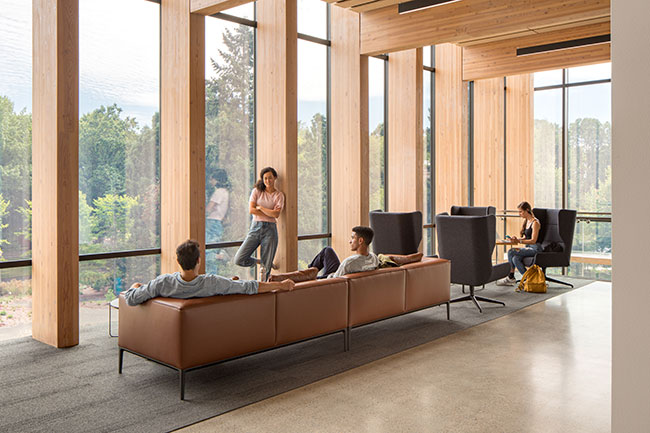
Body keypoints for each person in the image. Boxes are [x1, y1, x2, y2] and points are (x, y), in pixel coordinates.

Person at [123, 240, 294, 306]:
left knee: (139, 286)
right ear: (199, 261)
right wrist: (281, 285)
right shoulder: (211, 283)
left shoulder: (162, 283)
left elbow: (131, 299)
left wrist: (135, 286)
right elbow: (249, 287)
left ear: (178, 261)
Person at [234, 167, 285, 281]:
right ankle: (260, 261)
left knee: (266, 269)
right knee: (239, 259)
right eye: (265, 178)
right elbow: (251, 210)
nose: (268, 181)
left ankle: (263, 291)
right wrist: (269, 212)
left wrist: (261, 208)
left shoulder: (279, 195)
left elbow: (276, 214)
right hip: (255, 227)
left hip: (270, 230)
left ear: (275, 178)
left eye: (270, 178)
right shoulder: (256, 191)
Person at [308, 226, 380, 279]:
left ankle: (307, 274)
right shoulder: (374, 258)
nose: (350, 241)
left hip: (329, 281)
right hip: (341, 275)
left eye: (352, 238)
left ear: (360, 240)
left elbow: (335, 281)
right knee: (327, 250)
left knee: (326, 251)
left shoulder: (349, 263)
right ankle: (308, 272)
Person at [497, 201, 542, 286]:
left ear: (527, 210)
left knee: (511, 251)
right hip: (528, 247)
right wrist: (516, 239)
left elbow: (533, 240)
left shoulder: (535, 223)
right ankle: (529, 279)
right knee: (515, 258)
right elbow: (526, 237)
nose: (519, 214)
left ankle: (511, 277)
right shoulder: (527, 222)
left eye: (521, 212)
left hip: (535, 249)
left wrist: (519, 241)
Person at [205, 169, 230, 274]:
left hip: (212, 222)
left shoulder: (218, 192)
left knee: (208, 252)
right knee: (211, 249)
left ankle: (221, 256)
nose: (211, 181)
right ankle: (220, 256)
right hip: (217, 222)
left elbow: (209, 208)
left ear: (217, 179)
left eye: (212, 178)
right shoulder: (225, 192)